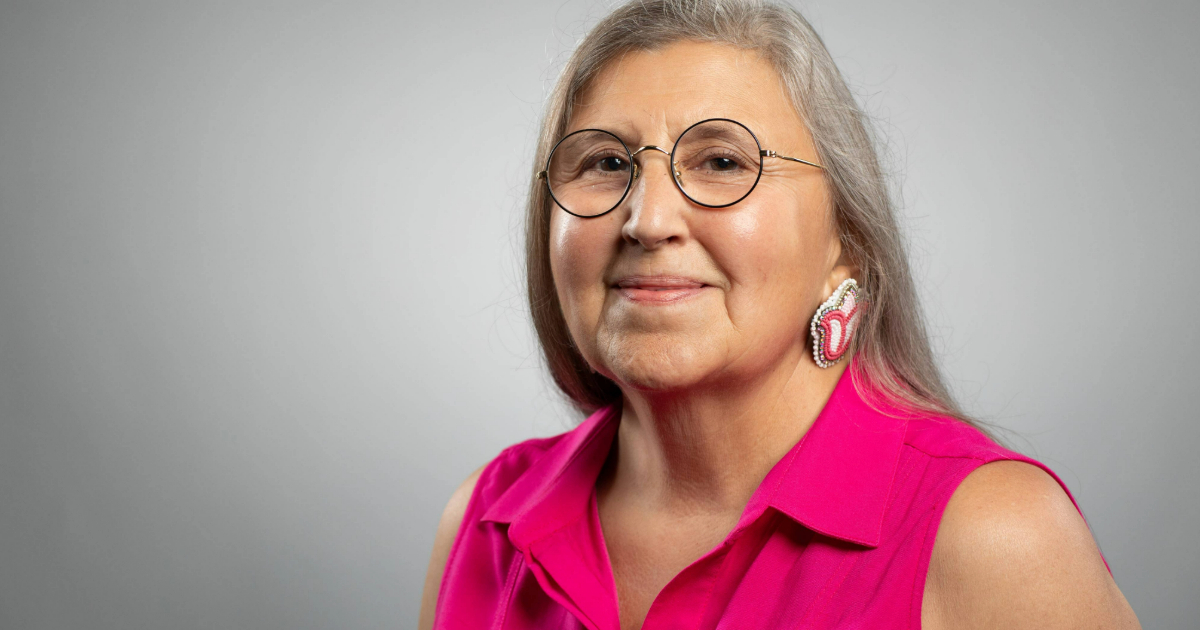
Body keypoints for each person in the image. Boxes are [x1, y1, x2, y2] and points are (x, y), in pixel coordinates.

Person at [418, 1, 1141, 628]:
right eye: (606, 163)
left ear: (845, 241)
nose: (648, 218)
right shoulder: (480, 523)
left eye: (723, 161)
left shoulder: (991, 535)